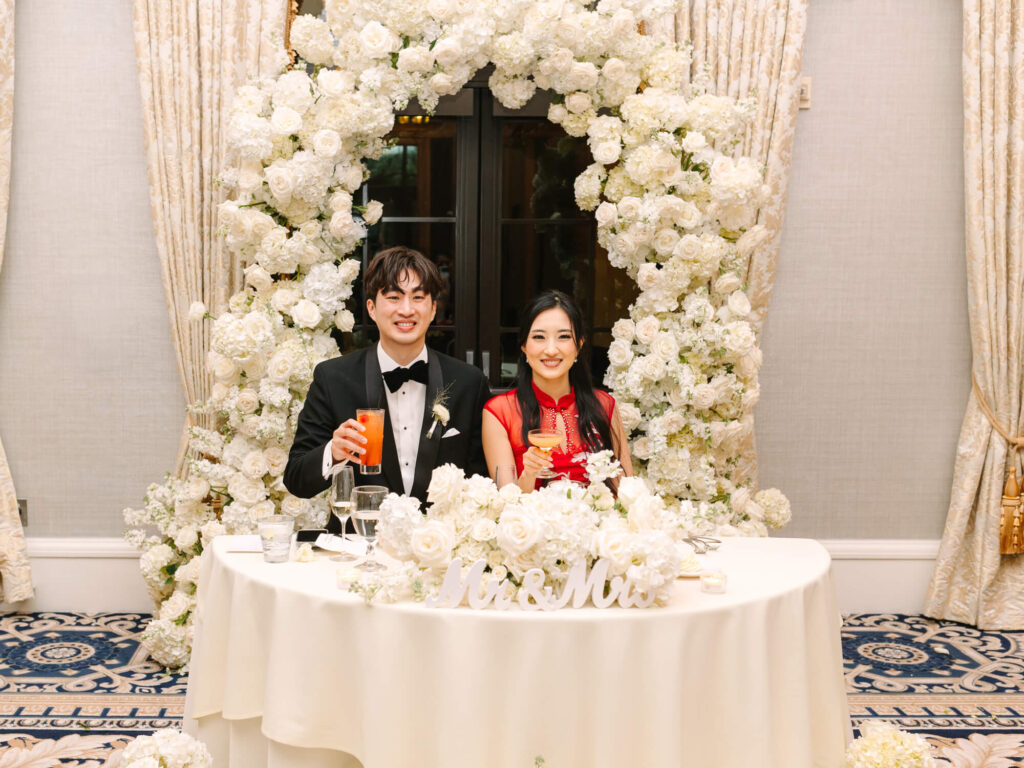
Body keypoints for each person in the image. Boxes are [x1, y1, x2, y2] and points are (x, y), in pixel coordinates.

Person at [284, 246, 491, 528]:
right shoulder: (334, 378)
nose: (406, 310)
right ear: (371, 308)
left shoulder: (468, 382)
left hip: (439, 551)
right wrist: (334, 450)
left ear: (432, 309)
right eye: (393, 297)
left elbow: (482, 483)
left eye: (418, 298)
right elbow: (296, 479)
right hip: (358, 548)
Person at [482, 290, 633, 492]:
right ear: (524, 346)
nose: (551, 350)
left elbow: (625, 492)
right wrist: (529, 474)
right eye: (539, 337)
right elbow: (506, 506)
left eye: (563, 336)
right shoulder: (500, 412)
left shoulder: (604, 405)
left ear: (579, 345)